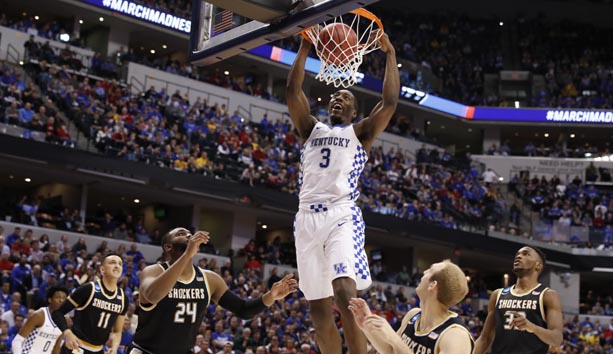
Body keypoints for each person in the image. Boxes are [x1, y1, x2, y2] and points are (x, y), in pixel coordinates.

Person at [285, 28, 399, 354]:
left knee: (345, 293)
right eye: (336, 96)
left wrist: (389, 54)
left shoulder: (359, 133)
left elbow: (389, 101)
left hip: (341, 215)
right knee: (318, 311)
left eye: (346, 98)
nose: (338, 98)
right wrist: (306, 46)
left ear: (354, 112)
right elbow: (292, 90)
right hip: (306, 218)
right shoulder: (310, 129)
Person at [127, 227, 297, 354]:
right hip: (146, 351)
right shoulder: (153, 271)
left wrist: (271, 296)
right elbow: (152, 295)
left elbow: (243, 310)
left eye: (189, 233)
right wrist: (186, 255)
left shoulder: (210, 279)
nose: (188, 235)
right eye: (180, 234)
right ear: (168, 248)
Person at [348, 260, 474, 354]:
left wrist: (394, 339)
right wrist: (367, 326)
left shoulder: (455, 336)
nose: (424, 272)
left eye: (430, 270)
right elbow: (391, 351)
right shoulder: (413, 315)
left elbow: (396, 344)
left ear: (432, 285)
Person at [473, 246, 563, 354]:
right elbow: (485, 338)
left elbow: (557, 339)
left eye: (526, 254)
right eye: (517, 255)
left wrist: (532, 327)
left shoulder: (547, 295)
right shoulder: (498, 295)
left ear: (538, 265)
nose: (519, 256)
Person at [52, 253, 129, 354]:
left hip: (99, 350)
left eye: (120, 264)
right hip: (76, 347)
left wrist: (114, 348)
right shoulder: (88, 289)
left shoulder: (123, 298)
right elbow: (58, 313)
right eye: (112, 263)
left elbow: (117, 331)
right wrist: (67, 332)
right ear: (102, 269)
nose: (117, 266)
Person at [12, 285, 68, 354]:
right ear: (50, 299)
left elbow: (56, 348)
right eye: (58, 297)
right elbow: (17, 341)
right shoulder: (39, 315)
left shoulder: (64, 320)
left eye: (64, 298)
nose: (61, 300)